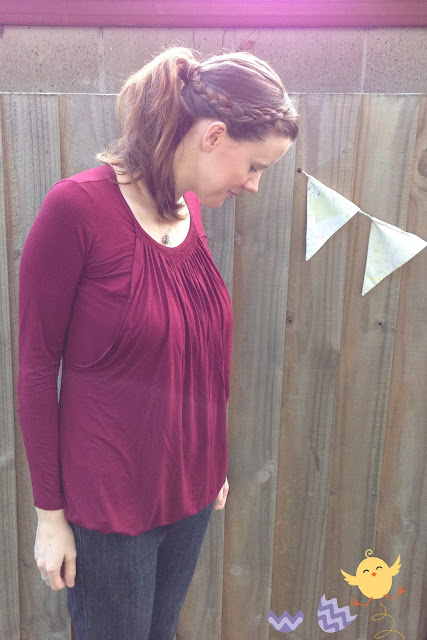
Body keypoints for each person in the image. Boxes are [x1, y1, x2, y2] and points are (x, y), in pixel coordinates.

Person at [17, 46, 299, 640]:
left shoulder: (189, 209)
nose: (253, 185)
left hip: (191, 494)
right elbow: (37, 369)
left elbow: (195, 352)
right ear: (213, 136)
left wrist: (210, 460)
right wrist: (50, 517)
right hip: (111, 509)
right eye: (255, 166)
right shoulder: (77, 209)